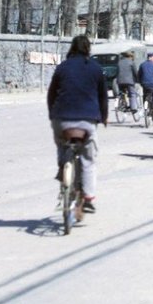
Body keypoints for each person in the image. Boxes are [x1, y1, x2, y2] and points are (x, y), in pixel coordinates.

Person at [47, 35, 108, 213]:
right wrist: (103, 117)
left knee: (61, 145)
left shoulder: (62, 67)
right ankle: (88, 198)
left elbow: (51, 94)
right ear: (88, 49)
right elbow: (103, 96)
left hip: (62, 118)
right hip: (87, 120)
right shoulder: (96, 69)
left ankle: (62, 166)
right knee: (88, 159)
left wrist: (53, 114)